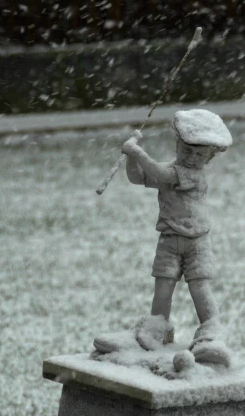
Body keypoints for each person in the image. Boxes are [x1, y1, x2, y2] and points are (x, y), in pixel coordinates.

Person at [93, 109, 233, 366]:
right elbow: (139, 177)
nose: (192, 158)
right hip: (169, 241)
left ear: (210, 158)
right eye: (187, 150)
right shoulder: (171, 168)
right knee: (163, 286)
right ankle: (157, 330)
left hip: (196, 243)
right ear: (177, 145)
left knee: (199, 287)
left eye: (200, 155)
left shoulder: (194, 176)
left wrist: (138, 152)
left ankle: (211, 334)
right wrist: (130, 157)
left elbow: (160, 175)